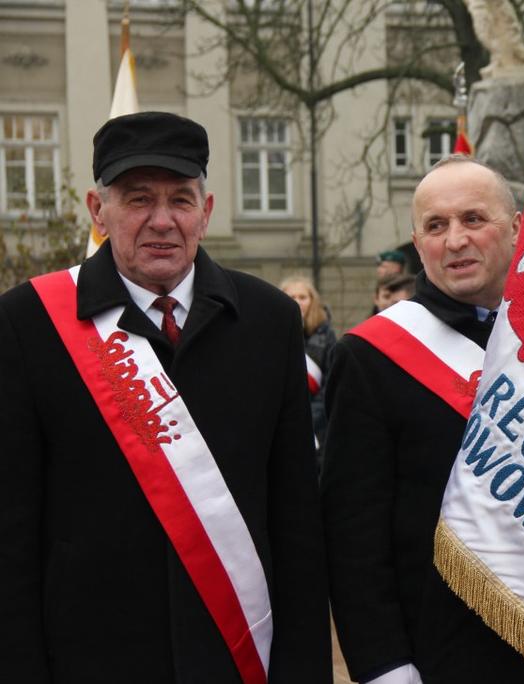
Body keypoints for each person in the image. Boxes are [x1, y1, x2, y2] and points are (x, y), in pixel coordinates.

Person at [0, 111, 332, 682]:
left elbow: (295, 521)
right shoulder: (27, 323)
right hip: (89, 659)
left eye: (180, 199)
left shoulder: (269, 320)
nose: (162, 221)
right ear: (97, 211)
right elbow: (12, 531)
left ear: (206, 213)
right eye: (137, 200)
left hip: (235, 657)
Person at [321, 156, 524, 683]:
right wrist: (385, 667)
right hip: (443, 654)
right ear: (417, 244)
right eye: (436, 226)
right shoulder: (371, 356)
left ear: (517, 228)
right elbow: (354, 534)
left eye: (473, 219)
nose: (455, 240)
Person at [280, 274, 336, 451]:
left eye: (302, 297)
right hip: (282, 422)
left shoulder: (326, 336)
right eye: (291, 297)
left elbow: (331, 382)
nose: (297, 302)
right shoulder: (273, 336)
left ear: (312, 301)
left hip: (318, 428)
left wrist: (307, 418)